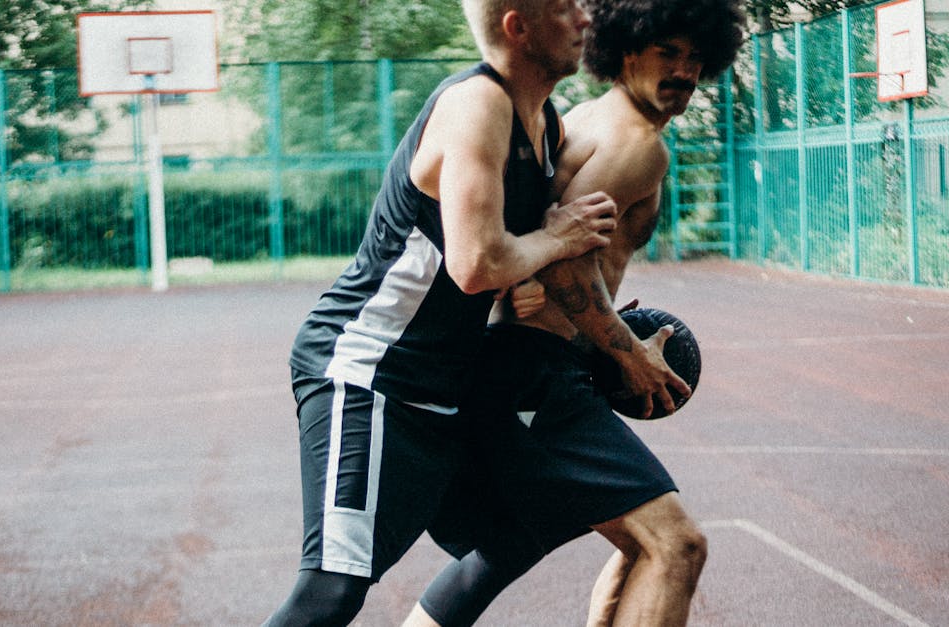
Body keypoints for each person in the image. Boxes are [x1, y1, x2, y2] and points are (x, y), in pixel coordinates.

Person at [261, 0, 679, 624]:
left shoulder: (546, 125)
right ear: (518, 26)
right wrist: (559, 242)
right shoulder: (476, 105)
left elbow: (512, 263)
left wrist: (584, 318)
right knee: (331, 590)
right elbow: (476, 263)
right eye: (565, 9)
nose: (585, 21)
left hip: (442, 386)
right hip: (371, 372)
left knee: (521, 528)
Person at [406, 0, 747, 625]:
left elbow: (535, 234)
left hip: (524, 362)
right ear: (626, 50)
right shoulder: (640, 145)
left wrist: (580, 322)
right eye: (667, 54)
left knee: (529, 542)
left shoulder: (579, 120)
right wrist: (625, 353)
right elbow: (565, 259)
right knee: (677, 545)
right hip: (534, 371)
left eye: (696, 58)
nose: (684, 72)